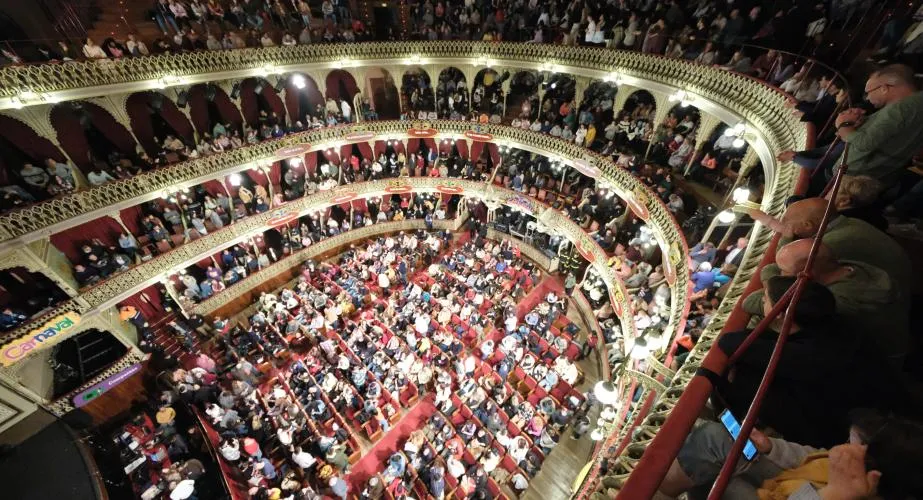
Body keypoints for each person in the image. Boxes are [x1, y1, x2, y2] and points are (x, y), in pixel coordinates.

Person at [658, 409, 923, 500]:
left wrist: (834, 495)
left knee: (714, 471)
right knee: (715, 439)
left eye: (853, 444)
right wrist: (771, 448)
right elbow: (814, 456)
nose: (842, 449)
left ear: (875, 473)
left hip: (790, 494)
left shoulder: (848, 487)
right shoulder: (853, 467)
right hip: (788, 486)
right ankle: (663, 489)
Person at [833, 64, 923, 187]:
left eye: (868, 93)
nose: (867, 98)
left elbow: (865, 143)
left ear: (884, 88)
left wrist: (844, 126)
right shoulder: (913, 102)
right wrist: (861, 122)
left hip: (853, 179)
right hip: (879, 177)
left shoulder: (899, 109)